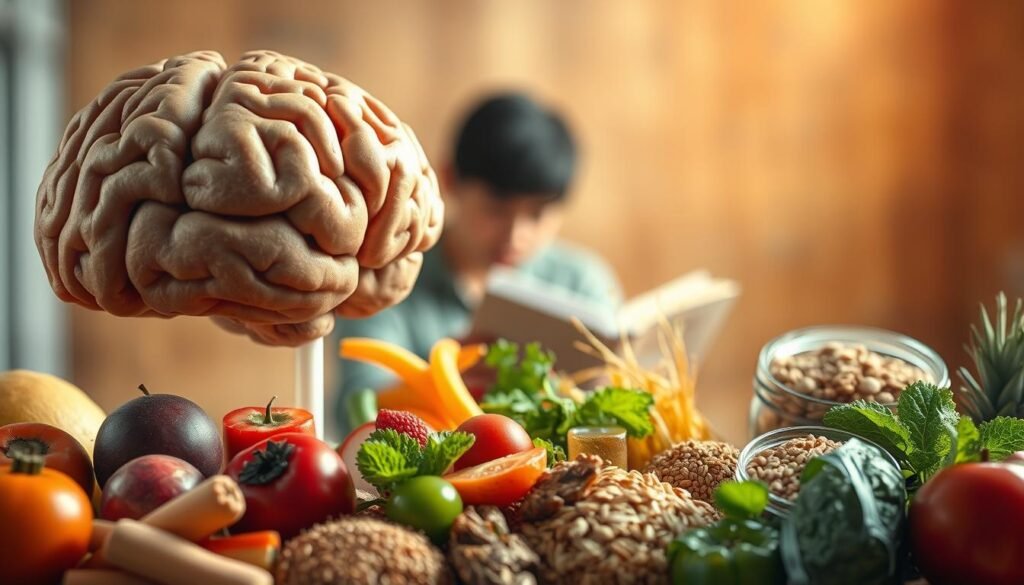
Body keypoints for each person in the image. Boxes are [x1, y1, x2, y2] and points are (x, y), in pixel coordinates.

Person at [334, 92, 621, 434]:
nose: (516, 234)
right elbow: (354, 403)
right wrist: (444, 382)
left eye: (538, 213)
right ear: (450, 179)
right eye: (496, 209)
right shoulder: (387, 277)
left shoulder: (582, 281)